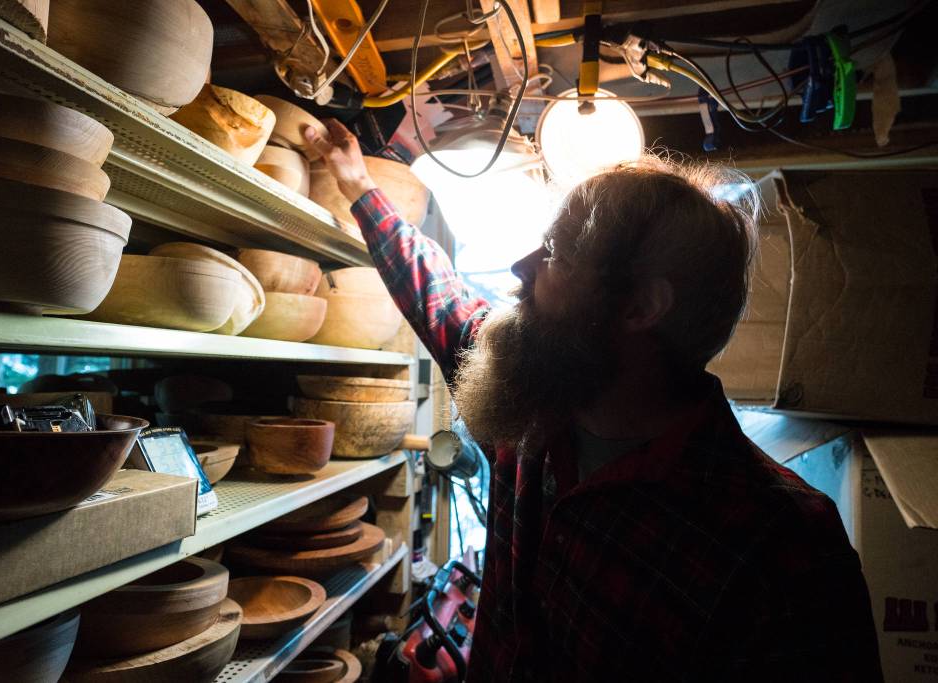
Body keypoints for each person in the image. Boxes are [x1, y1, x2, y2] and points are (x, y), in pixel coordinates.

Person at [305, 120, 883, 682]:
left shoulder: (782, 545)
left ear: (640, 307)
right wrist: (359, 186)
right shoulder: (535, 400)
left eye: (554, 252)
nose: (521, 267)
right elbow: (438, 296)